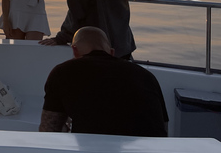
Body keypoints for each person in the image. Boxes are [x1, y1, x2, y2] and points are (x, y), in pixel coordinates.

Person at [40, 26, 168, 136]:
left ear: (75, 50)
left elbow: (49, 130)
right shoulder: (146, 75)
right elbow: (163, 126)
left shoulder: (62, 72)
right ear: (112, 52)